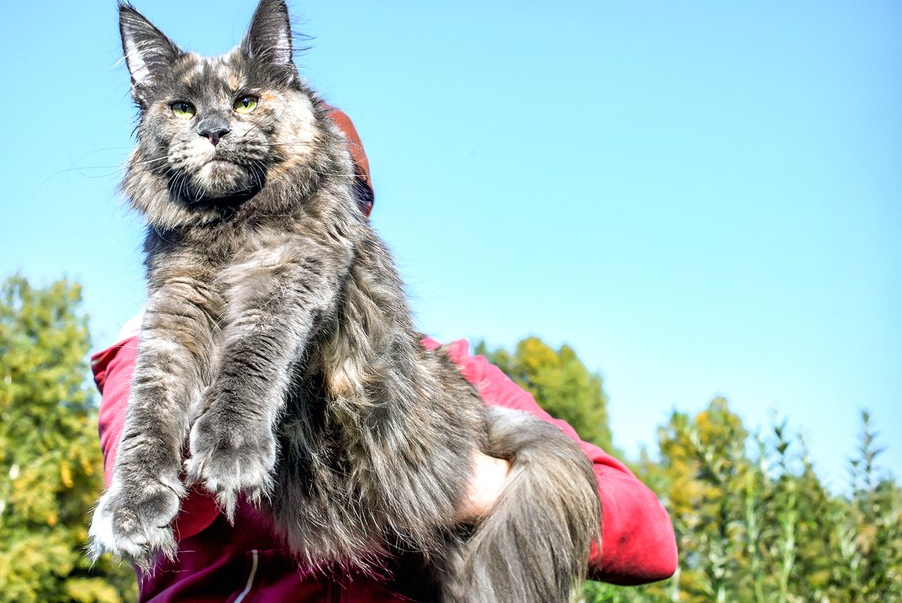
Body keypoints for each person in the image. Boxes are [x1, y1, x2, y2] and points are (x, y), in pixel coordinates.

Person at [91, 110, 678, 601]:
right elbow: (169, 509)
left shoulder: (450, 369)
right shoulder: (155, 341)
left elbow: (651, 539)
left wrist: (472, 484)